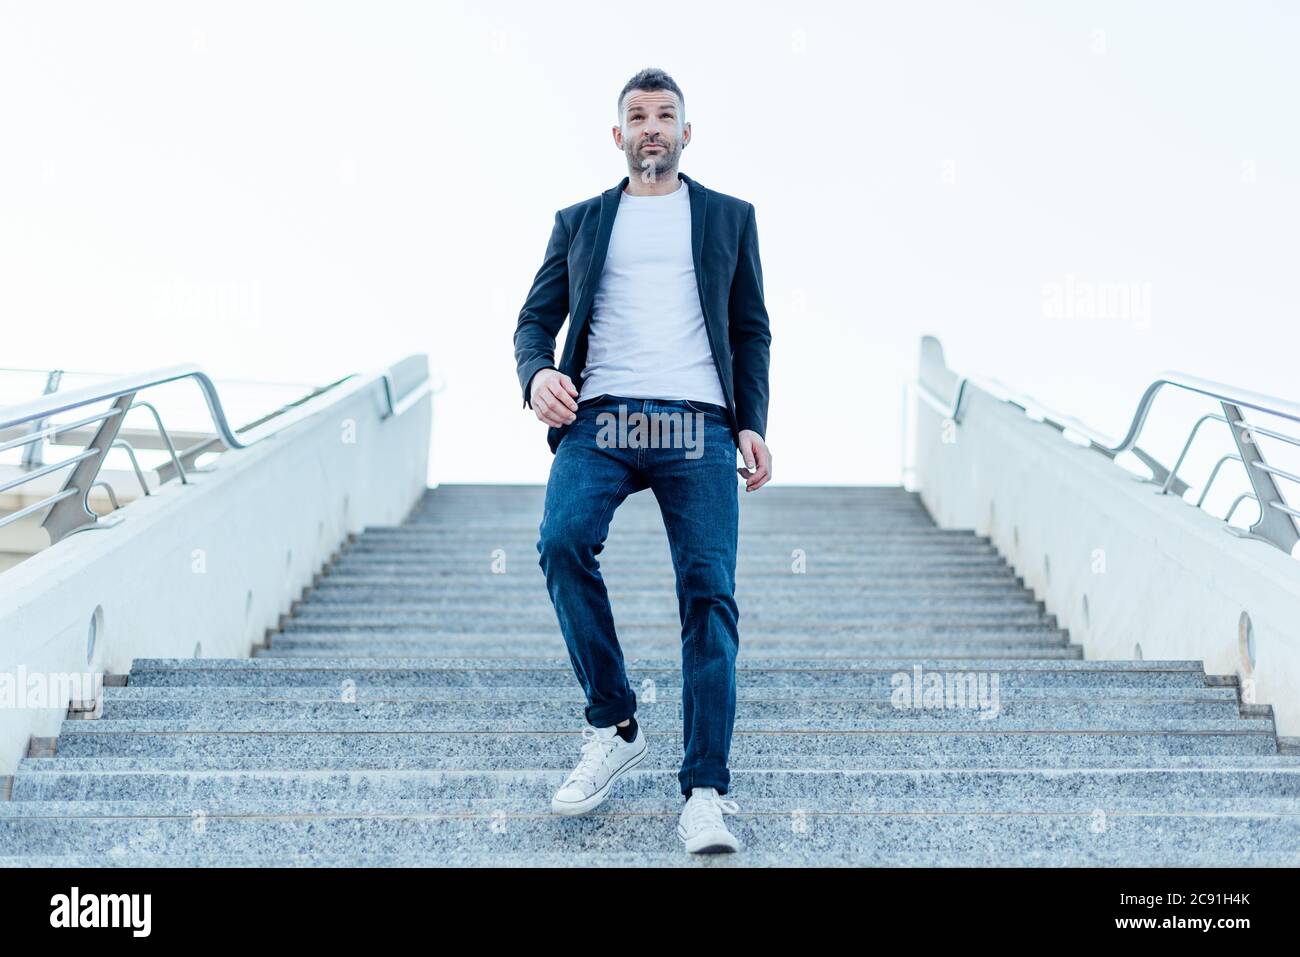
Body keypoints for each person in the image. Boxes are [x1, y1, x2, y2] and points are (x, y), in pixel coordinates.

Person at [512, 67, 772, 853]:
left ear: (686, 134)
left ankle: (703, 789)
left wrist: (753, 422)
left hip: (699, 424)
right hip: (602, 419)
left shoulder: (729, 217)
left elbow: (752, 328)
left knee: (708, 595)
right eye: (638, 116)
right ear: (617, 134)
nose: (652, 127)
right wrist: (538, 376)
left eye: (666, 116)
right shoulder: (582, 221)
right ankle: (616, 722)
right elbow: (534, 322)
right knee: (561, 542)